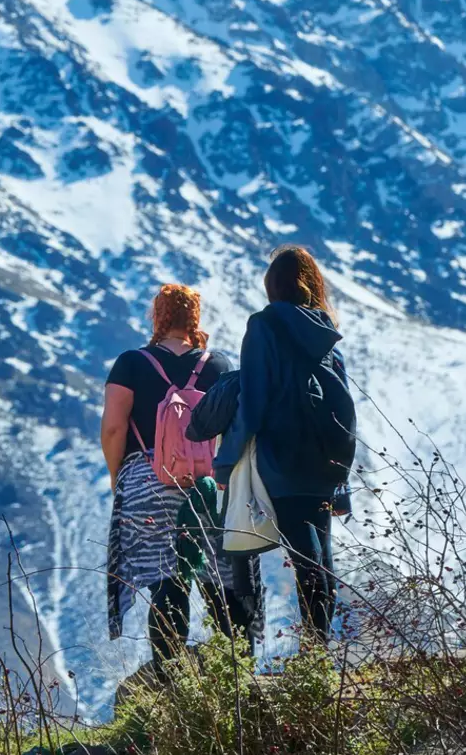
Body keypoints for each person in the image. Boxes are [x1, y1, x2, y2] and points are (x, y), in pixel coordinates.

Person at [103, 283, 260, 661]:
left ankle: (169, 669)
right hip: (209, 485)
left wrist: (118, 477)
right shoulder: (219, 366)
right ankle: (236, 665)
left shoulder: (131, 363)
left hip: (148, 480)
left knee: (167, 577)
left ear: (158, 317)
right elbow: (238, 429)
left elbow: (113, 428)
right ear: (194, 319)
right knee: (222, 576)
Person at [227, 246, 355, 640]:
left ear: (272, 286)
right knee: (322, 555)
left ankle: (315, 652)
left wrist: (226, 459)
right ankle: (320, 647)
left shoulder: (263, 326)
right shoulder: (324, 331)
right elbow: (342, 406)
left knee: (303, 555)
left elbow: (254, 399)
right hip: (326, 461)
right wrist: (342, 487)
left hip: (282, 458)